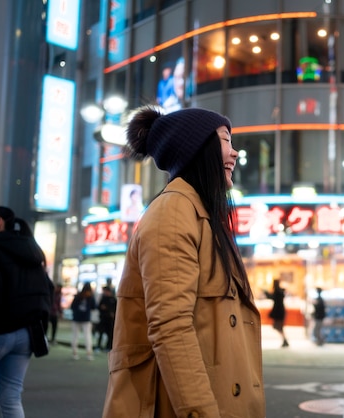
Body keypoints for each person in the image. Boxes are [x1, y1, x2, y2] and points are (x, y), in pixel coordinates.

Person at [102, 106, 265, 417]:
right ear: (198, 147)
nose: (234, 153)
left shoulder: (202, 215)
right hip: (178, 404)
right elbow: (171, 327)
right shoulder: (174, 212)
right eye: (225, 140)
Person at [0, 207, 53, 417]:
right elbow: (48, 289)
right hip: (28, 333)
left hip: (0, 330)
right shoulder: (31, 251)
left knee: (9, 396)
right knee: (10, 397)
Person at [70, 283, 97, 361]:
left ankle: (86, 353)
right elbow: (73, 306)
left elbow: (94, 306)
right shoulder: (80, 297)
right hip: (81, 319)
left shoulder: (88, 297)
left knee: (84, 336)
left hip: (82, 319)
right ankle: (77, 352)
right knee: (80, 336)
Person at [265, 279, 289, 348]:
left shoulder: (277, 291)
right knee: (279, 327)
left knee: (278, 327)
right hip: (280, 311)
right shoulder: (280, 291)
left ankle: (285, 340)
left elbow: (272, 297)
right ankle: (284, 340)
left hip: (279, 312)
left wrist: (266, 292)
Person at [95, 286, 116, 352]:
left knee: (110, 334)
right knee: (100, 333)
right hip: (103, 318)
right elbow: (98, 307)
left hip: (110, 319)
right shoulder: (103, 298)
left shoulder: (113, 299)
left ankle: (108, 347)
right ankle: (98, 346)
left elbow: (115, 309)